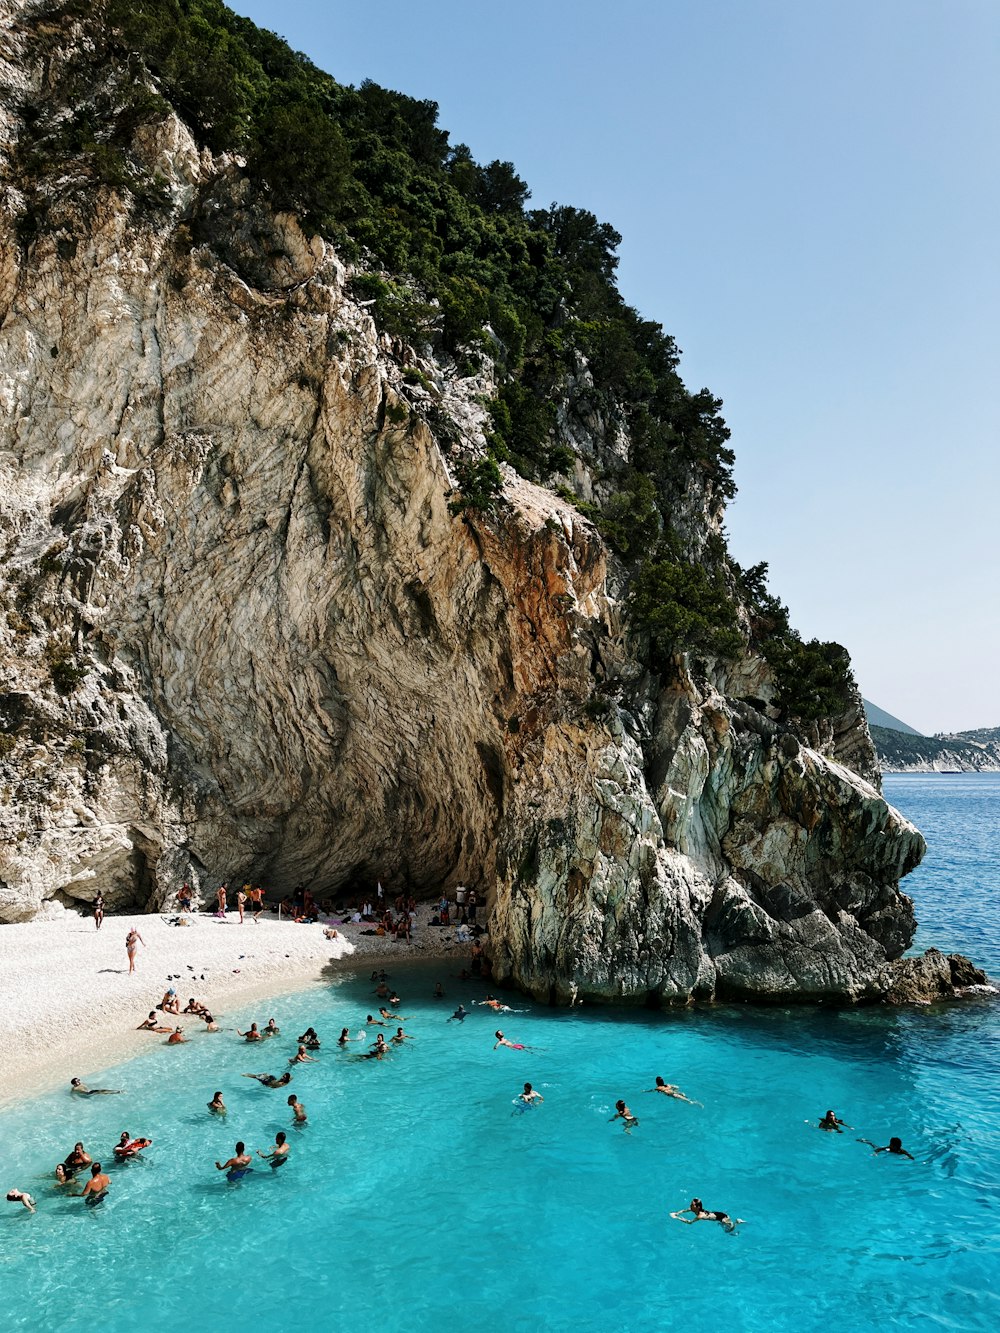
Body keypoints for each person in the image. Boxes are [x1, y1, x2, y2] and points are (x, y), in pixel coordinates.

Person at [670, 1199, 744, 1233]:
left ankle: (737, 1222)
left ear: (697, 1207)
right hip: (717, 1214)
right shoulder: (693, 1209)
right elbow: (684, 1210)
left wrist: (677, 1218)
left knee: (728, 1231)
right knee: (721, 1225)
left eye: (692, 1205)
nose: (690, 1206)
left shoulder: (700, 1216)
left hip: (723, 1218)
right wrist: (677, 1213)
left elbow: (690, 1222)